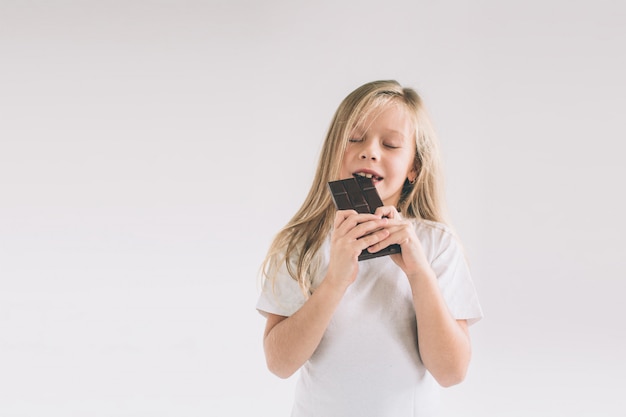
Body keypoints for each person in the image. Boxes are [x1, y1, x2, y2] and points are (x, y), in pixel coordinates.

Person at [256, 80, 483, 417]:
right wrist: (335, 280)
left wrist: (419, 272)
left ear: (413, 168)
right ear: (333, 150)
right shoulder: (299, 245)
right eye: (355, 138)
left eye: (391, 144)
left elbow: (451, 373)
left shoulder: (436, 243)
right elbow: (280, 363)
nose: (370, 151)